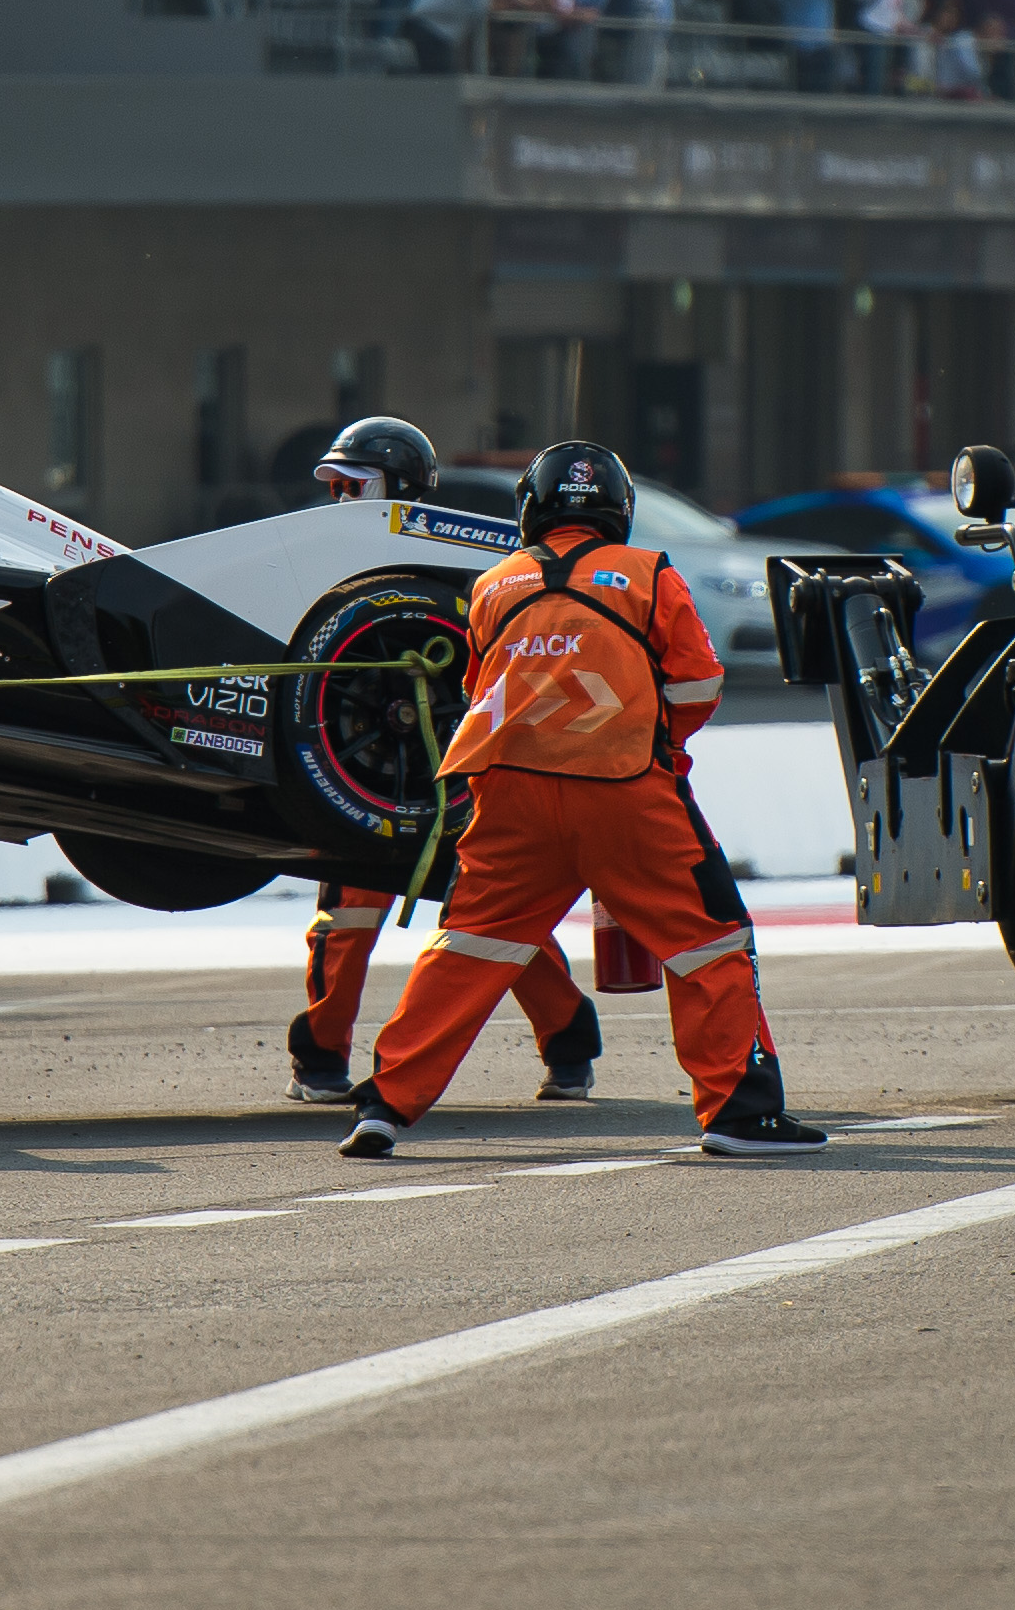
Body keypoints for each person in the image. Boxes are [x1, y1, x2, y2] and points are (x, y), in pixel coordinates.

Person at [343, 439, 822, 1159]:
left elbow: (480, 692)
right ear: (619, 512)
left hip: (507, 793)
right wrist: (660, 743)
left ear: (530, 510)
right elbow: (697, 684)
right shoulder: (648, 573)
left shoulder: (494, 584)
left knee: (471, 945)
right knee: (712, 939)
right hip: (624, 789)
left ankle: (383, 1104)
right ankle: (738, 1114)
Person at [284, 417, 602, 1107]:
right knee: (346, 915)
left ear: (398, 488)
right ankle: (319, 1060)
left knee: (490, 918)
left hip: (457, 774)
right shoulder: (314, 561)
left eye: (354, 484)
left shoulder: (472, 569)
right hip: (357, 778)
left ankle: (570, 1044)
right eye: (333, 485)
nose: (340, 498)